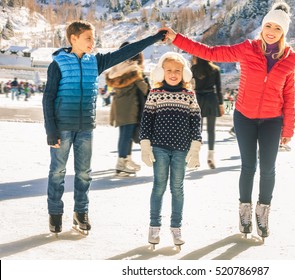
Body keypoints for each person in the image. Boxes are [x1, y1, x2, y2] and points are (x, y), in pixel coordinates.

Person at [161, 1, 295, 239]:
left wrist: (289, 127)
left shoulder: (289, 57)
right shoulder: (248, 48)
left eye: (277, 28)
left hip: (272, 120)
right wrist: (177, 39)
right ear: (263, 26)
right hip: (244, 116)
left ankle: (263, 214)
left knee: (268, 169)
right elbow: (211, 53)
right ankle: (244, 211)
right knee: (248, 167)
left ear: (283, 31)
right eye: (268, 25)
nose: (271, 31)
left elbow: (289, 94)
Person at [42, 20, 166, 235]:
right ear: (74, 39)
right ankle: (55, 213)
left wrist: (155, 38)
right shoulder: (58, 64)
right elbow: (48, 98)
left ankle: (81, 212)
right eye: (88, 38)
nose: (93, 42)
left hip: (85, 128)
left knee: (83, 174)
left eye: (94, 38)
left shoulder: (95, 62)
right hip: (62, 127)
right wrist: (50, 130)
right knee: (57, 172)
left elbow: (128, 50)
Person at [139, 52, 202, 247]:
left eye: (177, 70)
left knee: (177, 189)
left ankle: (176, 228)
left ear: (184, 73)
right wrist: (145, 145)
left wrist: (195, 146)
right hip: (159, 148)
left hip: (181, 149)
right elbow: (146, 119)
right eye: (169, 70)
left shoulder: (189, 95)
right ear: (161, 72)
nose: (173, 74)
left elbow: (196, 121)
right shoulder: (155, 94)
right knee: (159, 186)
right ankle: (154, 226)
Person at [106, 43, 148, 175]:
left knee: (125, 135)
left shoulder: (116, 70)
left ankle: (127, 159)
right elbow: (145, 89)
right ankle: (121, 163)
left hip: (119, 108)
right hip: (130, 109)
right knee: (125, 136)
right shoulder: (133, 71)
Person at [191, 57, 224, 169]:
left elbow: (190, 86)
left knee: (197, 129)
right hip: (211, 99)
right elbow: (219, 89)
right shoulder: (215, 69)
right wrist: (221, 104)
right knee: (211, 130)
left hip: (198, 99)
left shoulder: (194, 69)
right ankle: (210, 155)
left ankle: (195, 157)